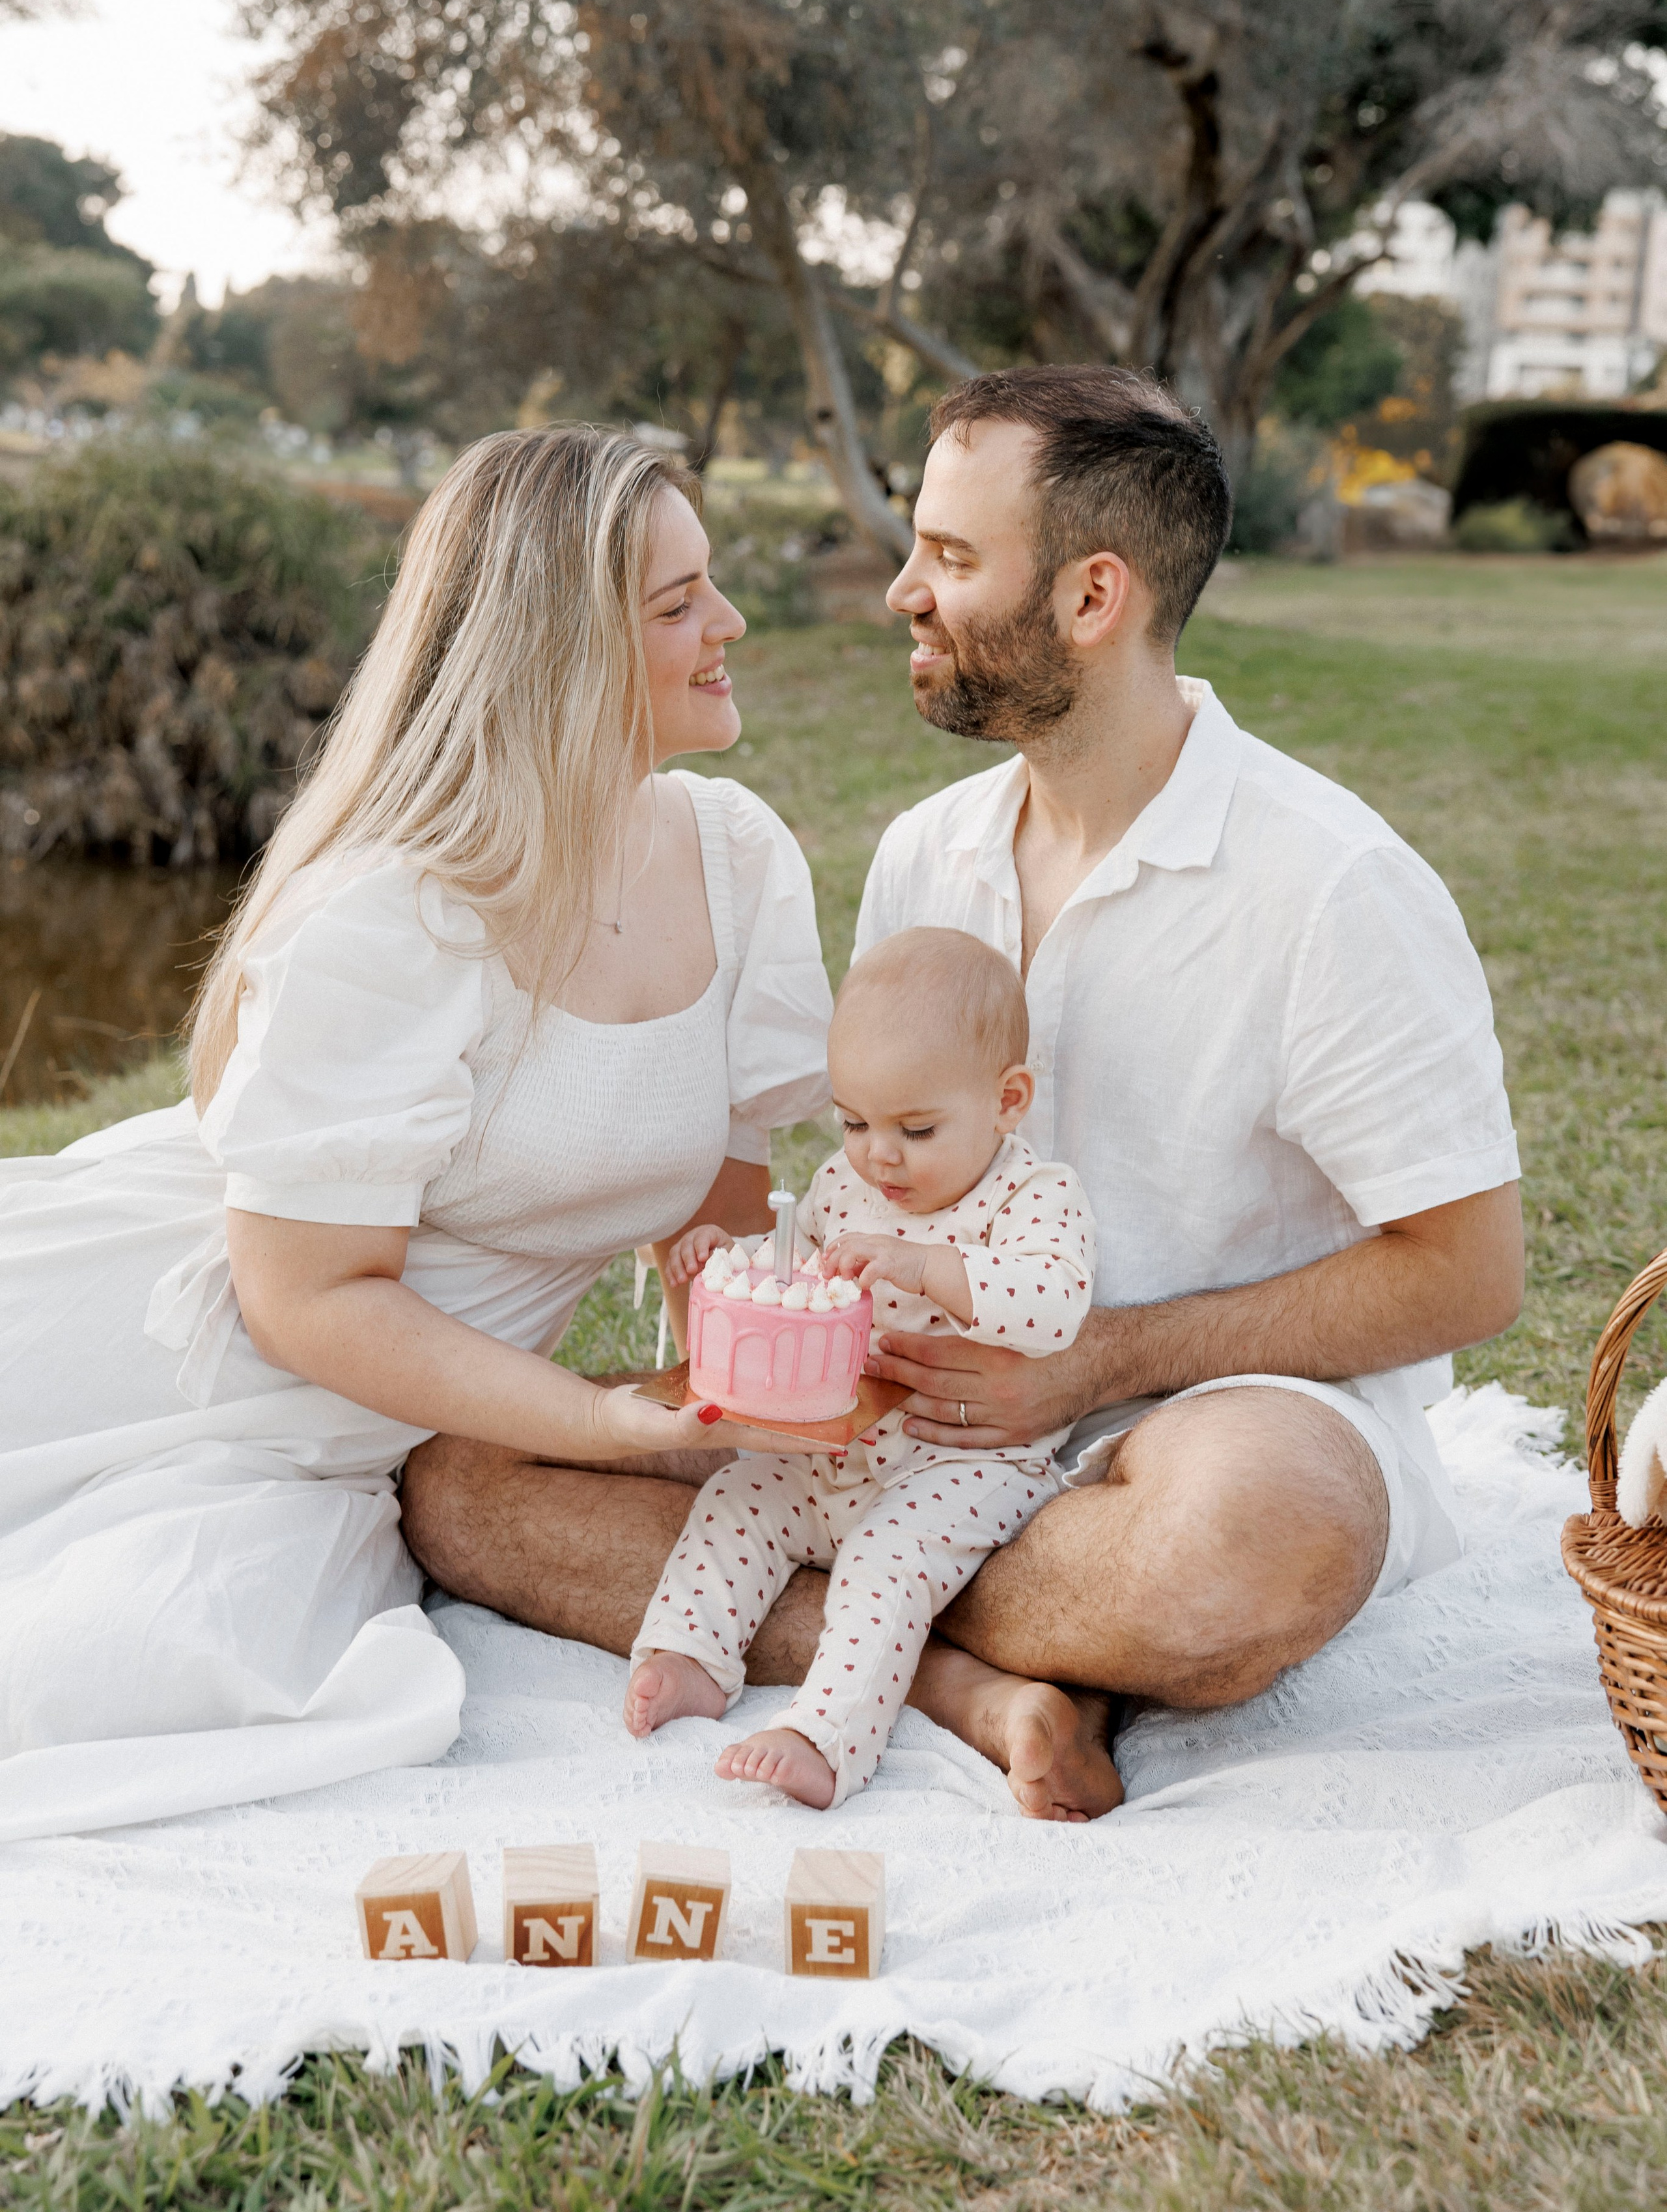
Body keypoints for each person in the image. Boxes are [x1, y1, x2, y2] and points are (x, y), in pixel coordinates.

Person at [404, 365, 1524, 1824]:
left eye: (948, 556)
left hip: (1194, 1422)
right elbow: (876, 1177)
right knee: (466, 1480)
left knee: (1254, 1544)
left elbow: (1468, 1272)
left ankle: (926, 1619)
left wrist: (1094, 1362)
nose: (901, 594)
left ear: (1092, 596)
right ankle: (969, 1680)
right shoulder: (925, 855)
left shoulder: (1333, 886)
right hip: (901, 1421)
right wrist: (784, 1317)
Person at [0, 426, 833, 1841]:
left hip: (379, 1420)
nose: (730, 623)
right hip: (183, 1358)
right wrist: (592, 1424)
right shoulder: (400, 908)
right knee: (130, 1677)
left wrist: (756, 1376)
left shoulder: (737, 858)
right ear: (564, 651)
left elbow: (722, 1218)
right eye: (678, 602)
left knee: (201, 1656)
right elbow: (306, 1297)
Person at [623, 926, 1093, 1808]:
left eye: (916, 1129)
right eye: (853, 1122)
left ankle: (828, 1736)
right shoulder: (850, 1184)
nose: (879, 1154)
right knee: (738, 1496)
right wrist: (736, 1256)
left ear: (1008, 1101)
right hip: (843, 1456)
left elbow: (1053, 1302)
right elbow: (802, 1268)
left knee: (885, 1562)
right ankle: (692, 1654)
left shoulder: (1034, 1196)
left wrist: (928, 1267)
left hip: (964, 1466)